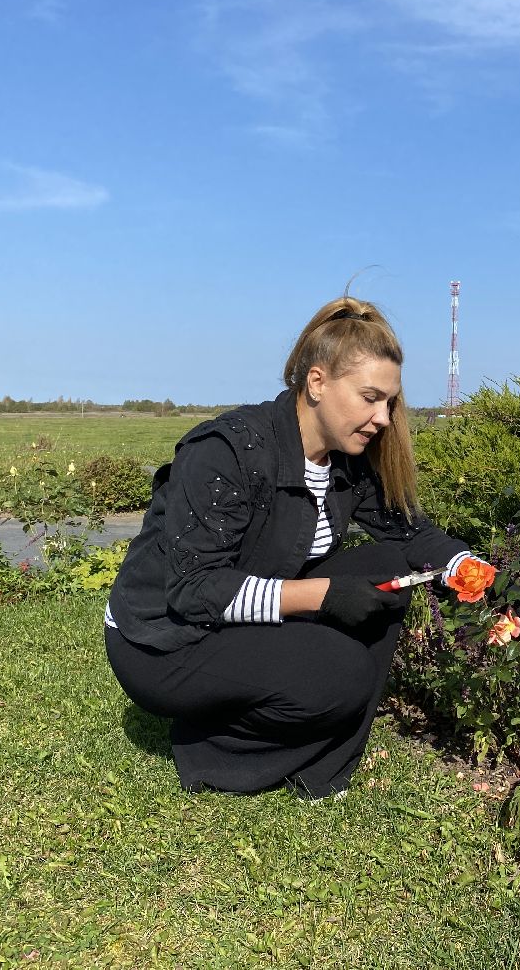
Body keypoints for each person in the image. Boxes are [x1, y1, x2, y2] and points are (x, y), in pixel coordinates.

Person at [104, 295, 485, 799]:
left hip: (233, 620)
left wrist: (482, 573)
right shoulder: (227, 450)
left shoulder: (346, 460)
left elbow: (412, 534)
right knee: (339, 673)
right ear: (317, 382)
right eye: (370, 397)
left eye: (389, 402)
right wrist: (324, 596)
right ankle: (211, 748)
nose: (384, 419)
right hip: (162, 641)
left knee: (387, 563)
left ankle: (325, 762)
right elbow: (195, 591)